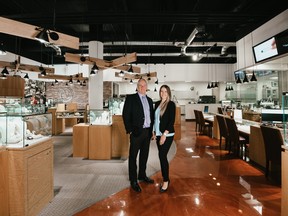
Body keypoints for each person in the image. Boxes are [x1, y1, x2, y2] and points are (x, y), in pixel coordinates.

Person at [122, 78, 155, 192]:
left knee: (144, 155)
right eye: (140, 85)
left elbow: (152, 117)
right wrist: (130, 130)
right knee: (133, 157)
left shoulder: (150, 100)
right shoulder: (131, 98)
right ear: (137, 87)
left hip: (147, 132)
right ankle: (133, 180)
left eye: (144, 85)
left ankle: (142, 175)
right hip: (136, 133)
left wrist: (152, 131)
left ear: (147, 87)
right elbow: (125, 115)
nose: (142, 87)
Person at [152, 84, 175, 192]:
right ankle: (166, 178)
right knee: (161, 156)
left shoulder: (171, 104)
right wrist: (153, 131)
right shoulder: (157, 103)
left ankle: (166, 180)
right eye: (161, 91)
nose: (163, 93)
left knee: (162, 156)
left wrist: (164, 135)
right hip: (157, 134)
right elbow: (155, 119)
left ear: (168, 93)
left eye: (165, 91)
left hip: (167, 134)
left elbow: (171, 121)